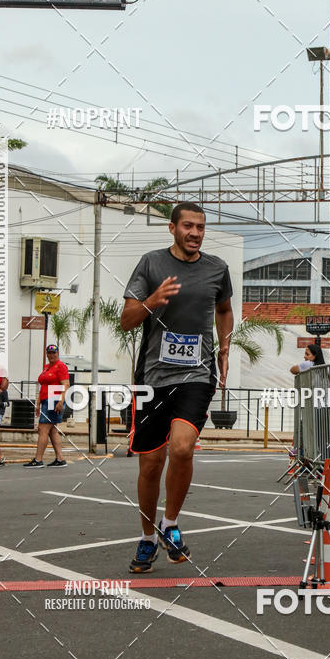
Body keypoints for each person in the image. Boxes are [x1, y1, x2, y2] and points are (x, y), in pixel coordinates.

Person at [121, 201, 233, 573]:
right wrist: (151, 301)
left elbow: (224, 309)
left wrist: (225, 347)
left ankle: (170, 523)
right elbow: (126, 320)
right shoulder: (151, 264)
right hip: (153, 378)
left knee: (182, 448)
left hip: (196, 376)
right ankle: (148, 537)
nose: (195, 233)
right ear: (172, 228)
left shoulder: (217, 268)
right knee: (151, 464)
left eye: (201, 227)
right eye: (188, 226)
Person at [23, 344, 69, 468]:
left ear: (58, 353)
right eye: (49, 353)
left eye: (54, 353)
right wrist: (38, 403)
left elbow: (65, 384)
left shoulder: (61, 366)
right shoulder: (47, 367)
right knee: (52, 430)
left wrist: (61, 401)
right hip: (45, 400)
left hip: (54, 399)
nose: (51, 355)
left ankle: (38, 459)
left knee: (43, 429)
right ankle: (60, 458)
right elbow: (43, 386)